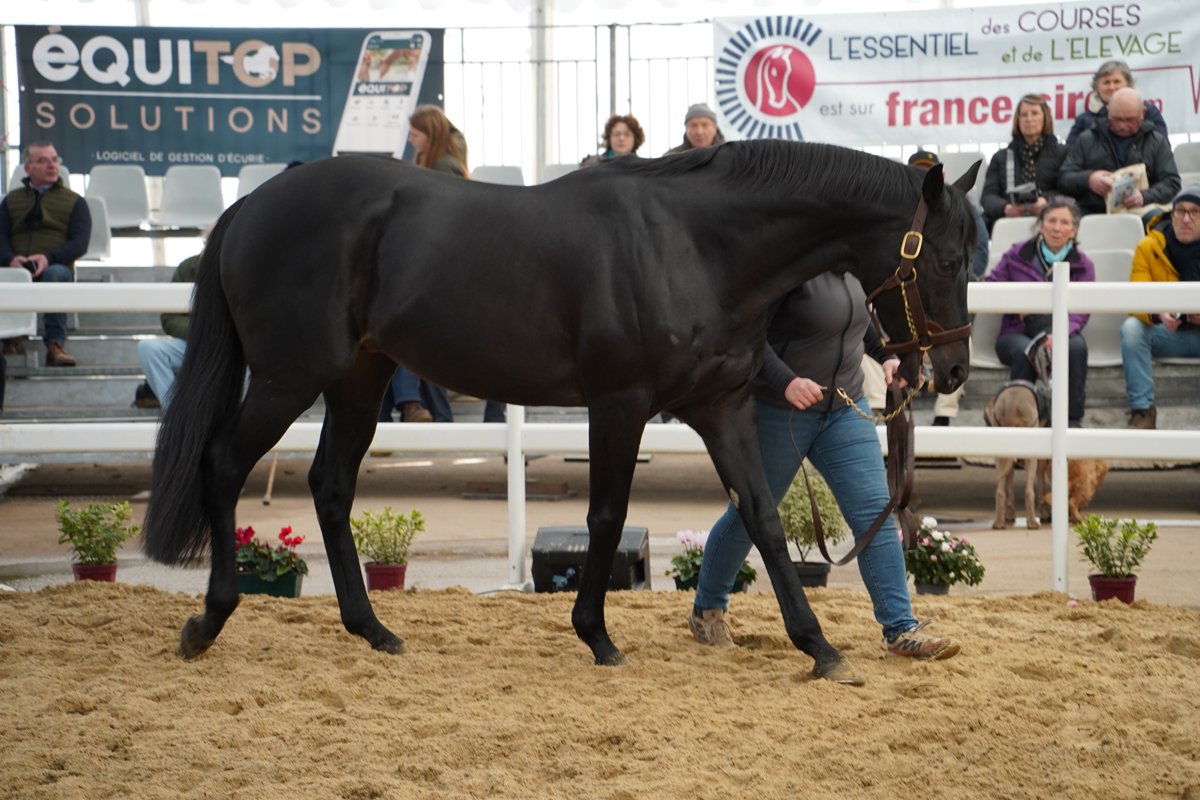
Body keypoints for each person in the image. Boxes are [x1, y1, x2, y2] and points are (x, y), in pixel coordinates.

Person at [688, 272, 960, 675]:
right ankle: (707, 610)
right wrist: (786, 382)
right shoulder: (791, 270)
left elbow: (859, 321)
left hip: (843, 408)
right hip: (782, 411)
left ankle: (900, 628)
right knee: (751, 515)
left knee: (875, 512)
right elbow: (747, 336)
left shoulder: (852, 267)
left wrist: (884, 354)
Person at [384, 104, 505, 425]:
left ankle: (418, 409)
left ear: (430, 134)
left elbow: (442, 222)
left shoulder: (442, 167)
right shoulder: (430, 162)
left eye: (415, 134)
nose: (410, 140)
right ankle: (420, 409)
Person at [986, 199, 1094, 428]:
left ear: (1073, 230)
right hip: (1016, 331)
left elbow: (1081, 311)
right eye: (1051, 220)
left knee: (1076, 348)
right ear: (1041, 225)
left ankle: (1071, 421)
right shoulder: (1016, 254)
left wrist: (1061, 333)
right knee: (1025, 351)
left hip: (1061, 329)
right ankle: (1017, 421)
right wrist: (1017, 305)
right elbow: (991, 287)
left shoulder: (1084, 264)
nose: (1056, 228)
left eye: (1064, 222)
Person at [0, 141, 91, 367]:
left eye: (54, 159)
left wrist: (47, 258)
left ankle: (55, 345)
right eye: (43, 160)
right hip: (16, 266)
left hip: (54, 265)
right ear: (28, 168)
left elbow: (80, 243)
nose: (52, 165)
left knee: (55, 275)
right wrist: (10, 259)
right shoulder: (11, 201)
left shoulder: (75, 202)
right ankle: (10, 339)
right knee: (8, 277)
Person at [1119, 183, 1200, 430]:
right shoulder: (1148, 246)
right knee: (1132, 329)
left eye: (1195, 212)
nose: (1186, 218)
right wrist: (1158, 314)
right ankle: (1142, 412)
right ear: (1171, 214)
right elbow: (1137, 298)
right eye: (1180, 211)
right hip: (1170, 334)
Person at [1058, 87, 1180, 216]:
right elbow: (1064, 178)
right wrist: (1088, 179)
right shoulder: (1087, 139)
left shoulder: (1156, 141)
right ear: (1108, 112)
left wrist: (1144, 196)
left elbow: (1172, 183)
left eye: (1129, 120)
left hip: (1142, 212)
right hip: (1094, 212)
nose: (1122, 125)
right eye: (1116, 119)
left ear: (1142, 114)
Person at [980, 93, 1069, 232]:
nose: (1029, 119)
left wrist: (1047, 202)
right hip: (1008, 223)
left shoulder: (1063, 153)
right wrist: (1006, 208)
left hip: (1052, 222)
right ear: (1018, 120)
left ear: (1045, 117)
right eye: (1024, 115)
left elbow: (1070, 192)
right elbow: (987, 197)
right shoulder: (1000, 157)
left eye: (1035, 113)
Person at [136, 254, 198, 411]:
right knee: (148, 348)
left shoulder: (241, 264)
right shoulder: (188, 266)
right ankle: (176, 414)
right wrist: (199, 331)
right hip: (194, 342)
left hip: (232, 346)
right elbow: (169, 317)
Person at [1065, 60, 1168, 148]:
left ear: (1129, 84)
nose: (1111, 87)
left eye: (1117, 81)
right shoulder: (1083, 120)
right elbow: (1071, 155)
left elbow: (1163, 149)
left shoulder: (1149, 112)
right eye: (1106, 82)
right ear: (1097, 87)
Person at [581, 114, 645, 166]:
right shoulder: (592, 165)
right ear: (609, 138)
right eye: (616, 134)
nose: (621, 138)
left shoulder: (644, 168)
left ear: (635, 139)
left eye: (627, 134)